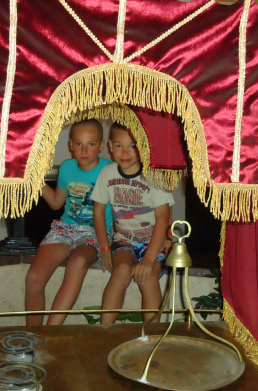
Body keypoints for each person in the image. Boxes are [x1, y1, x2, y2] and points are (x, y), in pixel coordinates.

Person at [24, 119, 112, 325]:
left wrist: (108, 247)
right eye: (78, 143)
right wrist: (35, 180)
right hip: (65, 229)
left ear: (101, 146)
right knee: (33, 278)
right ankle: (33, 335)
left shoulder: (110, 170)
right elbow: (56, 203)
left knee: (78, 262)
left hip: (95, 231)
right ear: (70, 145)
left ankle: (51, 332)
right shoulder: (67, 167)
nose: (84, 150)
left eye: (91, 144)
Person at [92, 122, 174, 324]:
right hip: (124, 240)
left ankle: (152, 335)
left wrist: (148, 259)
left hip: (154, 242)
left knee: (148, 278)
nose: (125, 152)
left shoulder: (154, 176)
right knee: (121, 271)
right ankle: (103, 331)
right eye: (119, 145)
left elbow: (163, 218)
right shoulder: (107, 173)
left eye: (133, 146)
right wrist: (104, 248)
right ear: (110, 146)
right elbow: (98, 212)